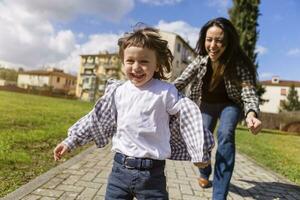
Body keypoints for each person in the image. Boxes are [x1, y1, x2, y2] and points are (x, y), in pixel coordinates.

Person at [53, 25, 214, 200]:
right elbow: (95, 119)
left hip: (153, 175)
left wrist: (200, 152)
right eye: (130, 61)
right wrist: (71, 141)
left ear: (157, 64)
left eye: (144, 62)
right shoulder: (118, 91)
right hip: (119, 172)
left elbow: (190, 117)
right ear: (123, 62)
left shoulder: (166, 92)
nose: (136, 67)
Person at [173, 17, 262, 200]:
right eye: (209, 39)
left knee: (225, 133)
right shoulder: (200, 61)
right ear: (204, 39)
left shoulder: (239, 65)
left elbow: (248, 93)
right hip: (206, 105)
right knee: (201, 140)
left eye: (219, 40)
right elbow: (180, 82)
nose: (213, 45)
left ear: (228, 42)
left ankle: (219, 195)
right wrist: (155, 93)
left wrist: (251, 114)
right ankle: (205, 172)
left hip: (230, 105)